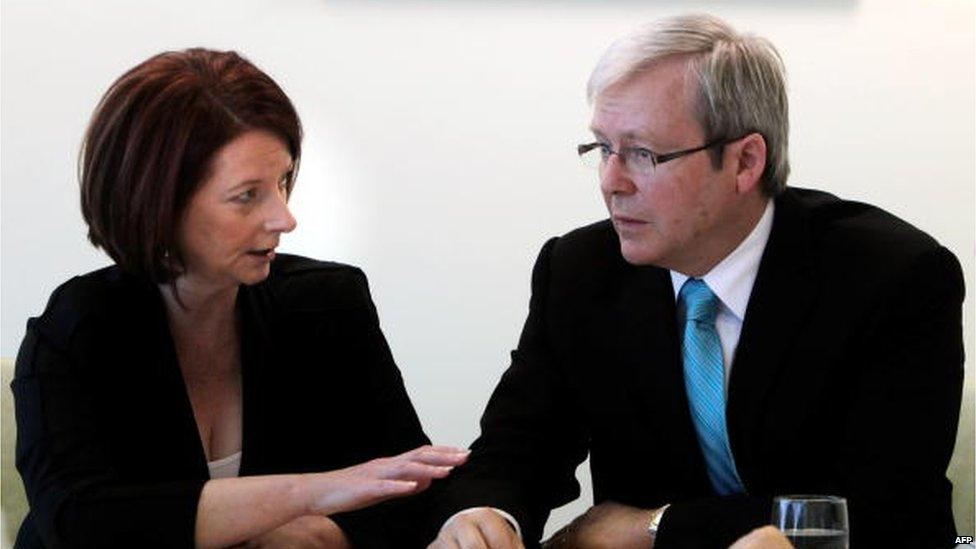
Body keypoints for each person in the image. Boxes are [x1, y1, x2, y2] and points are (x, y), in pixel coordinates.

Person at [427, 14, 964, 549]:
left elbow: (876, 512)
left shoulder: (892, 277)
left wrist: (652, 527)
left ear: (744, 161)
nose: (612, 182)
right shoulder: (580, 270)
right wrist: (485, 512)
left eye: (643, 153)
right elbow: (520, 444)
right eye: (602, 149)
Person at [12, 48, 468, 548]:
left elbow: (409, 489)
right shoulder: (77, 327)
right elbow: (80, 522)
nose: (285, 218)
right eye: (247, 195)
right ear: (158, 201)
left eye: (282, 182)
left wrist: (323, 533)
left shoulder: (328, 302)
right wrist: (310, 494)